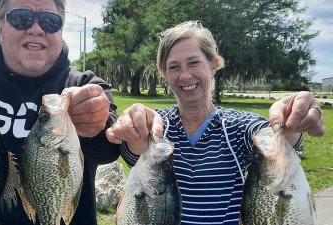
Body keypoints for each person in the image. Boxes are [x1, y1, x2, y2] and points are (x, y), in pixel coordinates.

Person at [106, 21, 326, 225]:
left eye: (194, 63)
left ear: (214, 64)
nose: (185, 75)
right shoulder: (156, 126)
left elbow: (275, 143)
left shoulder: (239, 127)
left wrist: (292, 118)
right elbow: (136, 148)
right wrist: (133, 122)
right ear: (164, 74)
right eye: (173, 67)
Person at [0, 0, 120, 224]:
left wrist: (98, 127)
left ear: (60, 30)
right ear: (0, 25)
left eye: (50, 21)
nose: (36, 28)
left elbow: (109, 151)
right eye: (22, 18)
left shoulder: (85, 86)